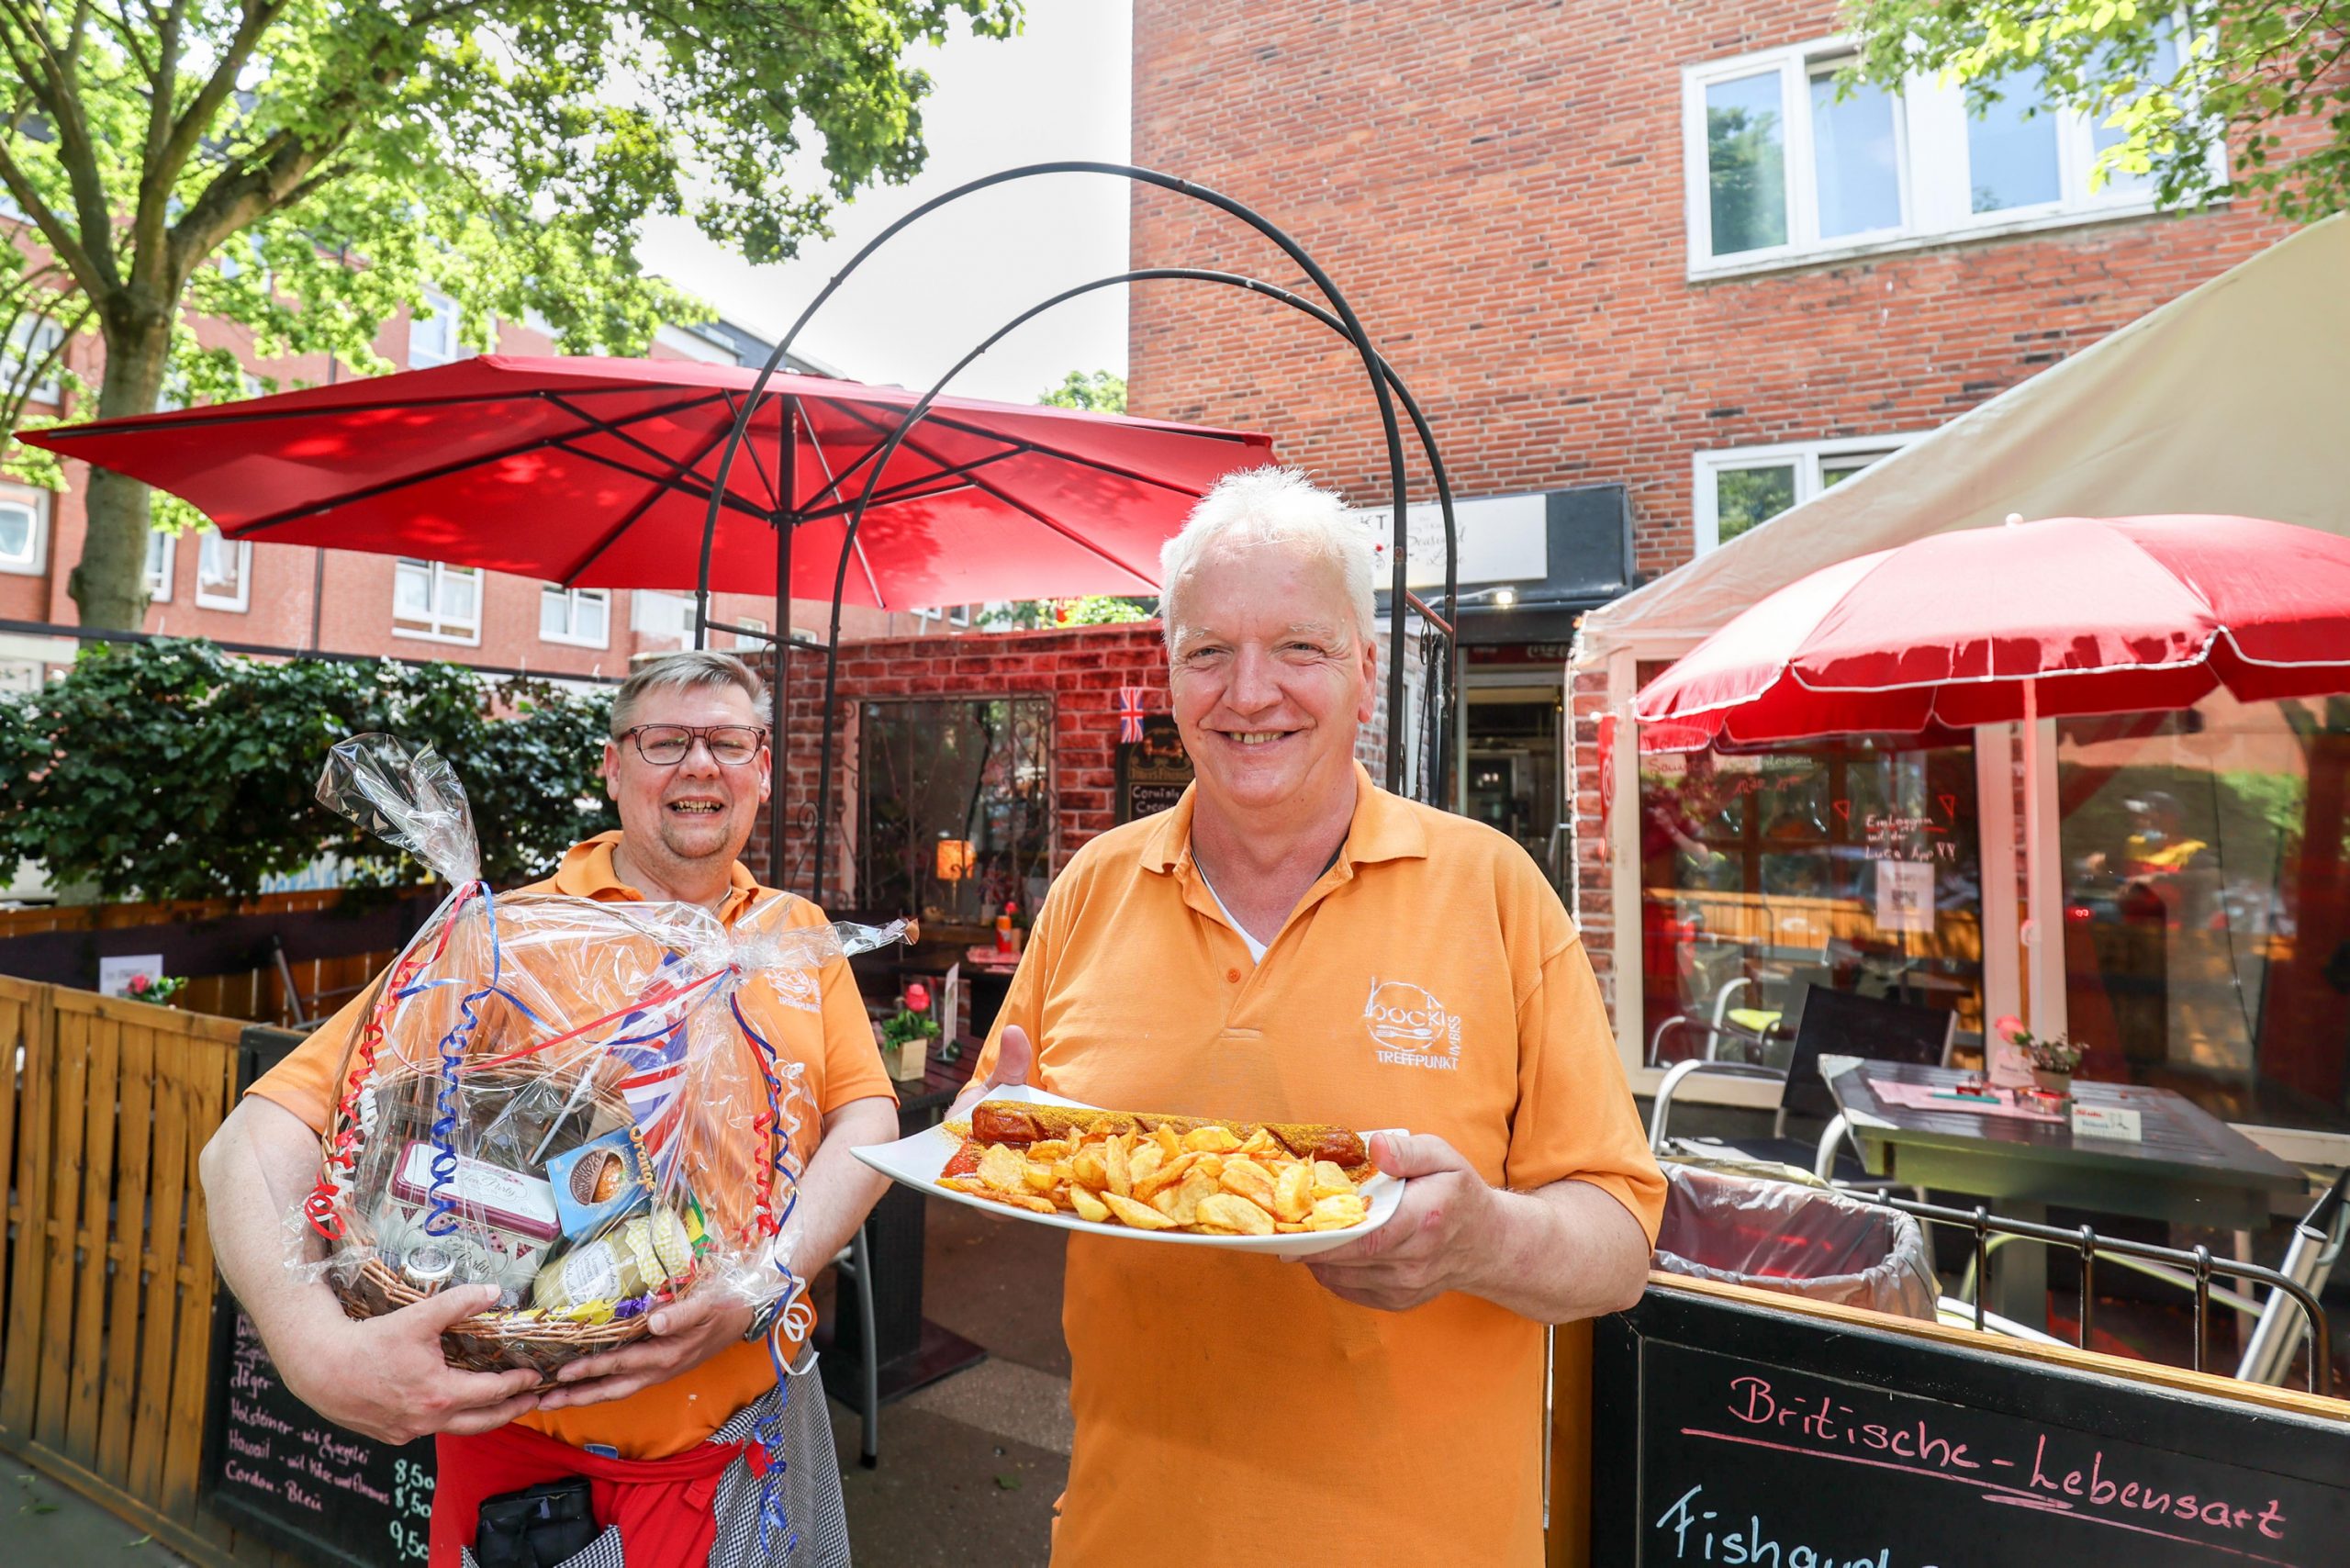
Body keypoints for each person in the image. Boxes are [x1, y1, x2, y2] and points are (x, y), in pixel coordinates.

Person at [955, 467, 1666, 1565]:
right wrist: (998, 1145)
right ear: (1168, 672)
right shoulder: (1091, 889)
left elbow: (1618, 1248)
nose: (1249, 693)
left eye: (1298, 647)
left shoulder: (1494, 890)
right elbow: (987, 1157)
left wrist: (1482, 1238)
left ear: (1366, 671)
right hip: (1125, 1535)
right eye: (1208, 652)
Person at [199, 652, 897, 1567]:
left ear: (762, 769)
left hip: (759, 1444)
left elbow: (868, 1122)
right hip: (540, 1490)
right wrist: (311, 1347)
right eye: (664, 740)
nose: (699, 765)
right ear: (611, 766)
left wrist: (761, 1281)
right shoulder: (508, 938)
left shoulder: (798, 938)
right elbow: (254, 1138)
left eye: (728, 741)